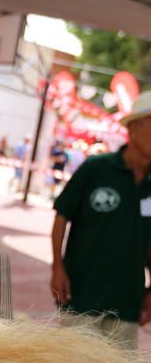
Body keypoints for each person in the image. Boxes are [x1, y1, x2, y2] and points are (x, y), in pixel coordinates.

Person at [50, 90, 151, 349]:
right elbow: (62, 216)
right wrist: (57, 267)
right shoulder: (97, 169)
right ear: (134, 128)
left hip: (127, 301)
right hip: (82, 293)